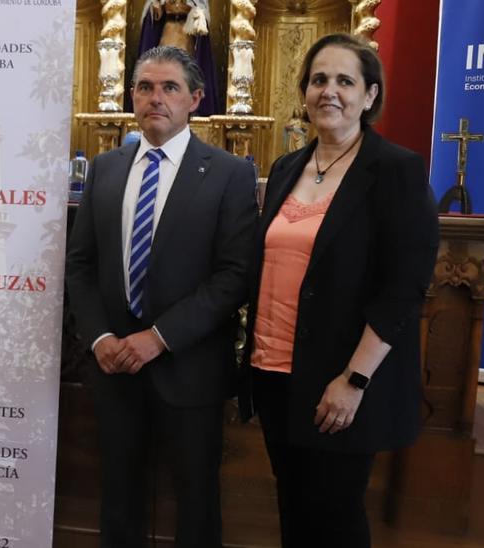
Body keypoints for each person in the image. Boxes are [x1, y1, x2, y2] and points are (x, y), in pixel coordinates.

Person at [239, 33, 440, 548]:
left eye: (345, 80)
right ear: (304, 91)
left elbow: (405, 287)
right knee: (294, 507)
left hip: (341, 380)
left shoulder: (396, 169)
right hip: (276, 371)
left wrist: (354, 379)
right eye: (318, 79)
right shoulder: (287, 167)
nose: (329, 91)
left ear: (370, 95)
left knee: (335, 517)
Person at [65, 45, 257, 547]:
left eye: (170, 87)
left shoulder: (228, 174)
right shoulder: (105, 169)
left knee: (196, 501)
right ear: (131, 97)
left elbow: (234, 275)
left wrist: (159, 337)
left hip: (188, 368)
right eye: (145, 87)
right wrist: (101, 335)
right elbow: (81, 264)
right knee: (119, 497)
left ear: (195, 98)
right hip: (113, 369)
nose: (156, 98)